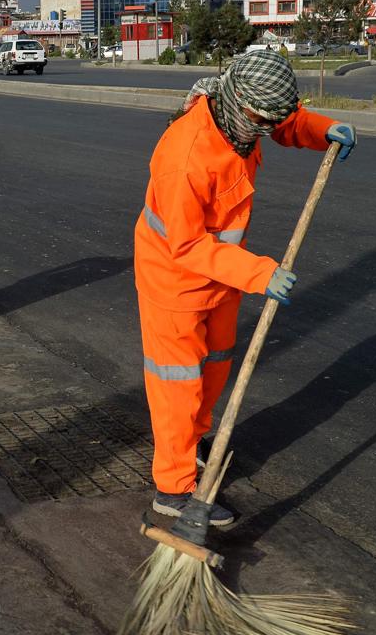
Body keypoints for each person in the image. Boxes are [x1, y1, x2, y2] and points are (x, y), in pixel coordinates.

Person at [133, 49, 355, 536]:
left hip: (222, 276)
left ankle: (194, 443)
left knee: (215, 367)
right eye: (259, 119)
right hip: (176, 280)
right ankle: (172, 489)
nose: (264, 128)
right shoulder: (185, 157)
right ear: (237, 102)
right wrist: (259, 274)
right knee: (178, 383)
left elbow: (283, 121)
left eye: (267, 119)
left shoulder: (240, 117)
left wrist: (322, 131)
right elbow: (187, 245)